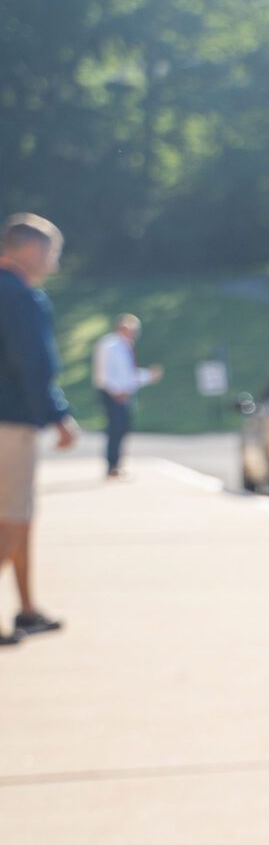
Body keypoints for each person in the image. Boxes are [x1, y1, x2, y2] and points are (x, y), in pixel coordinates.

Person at [0, 212, 75, 644]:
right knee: (12, 520)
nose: (55, 264)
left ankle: (26, 607)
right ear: (32, 250)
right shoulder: (21, 297)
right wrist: (59, 416)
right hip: (10, 423)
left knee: (17, 520)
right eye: (53, 253)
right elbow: (34, 365)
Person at [91, 313, 160, 478]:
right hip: (111, 393)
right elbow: (102, 374)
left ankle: (118, 464)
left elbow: (130, 376)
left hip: (125, 394)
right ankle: (111, 465)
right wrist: (116, 391)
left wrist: (148, 376)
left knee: (123, 428)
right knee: (115, 428)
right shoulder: (109, 345)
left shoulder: (127, 347)